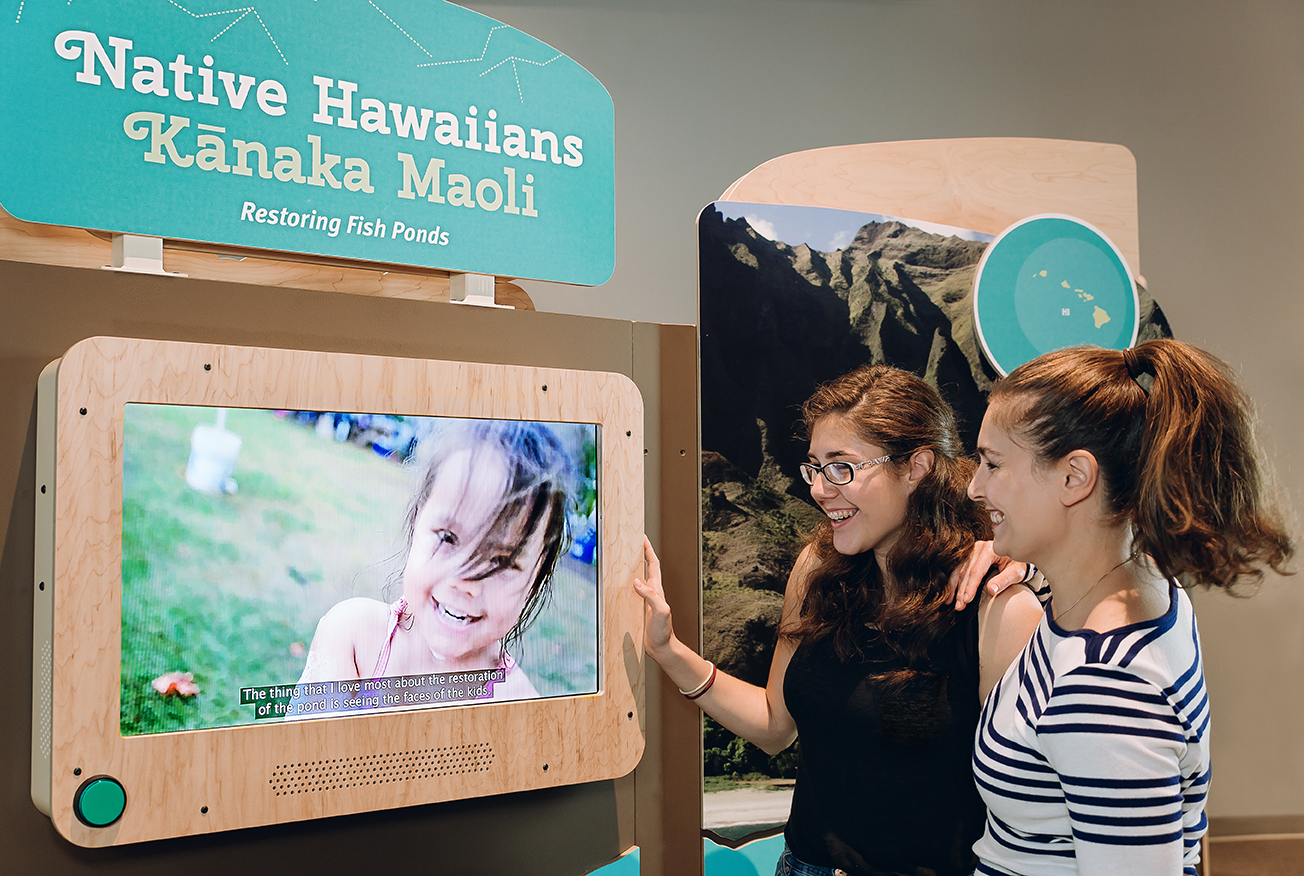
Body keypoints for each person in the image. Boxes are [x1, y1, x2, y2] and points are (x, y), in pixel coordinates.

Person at [636, 365, 1045, 876]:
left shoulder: (995, 608)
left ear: (916, 466)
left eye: (842, 467)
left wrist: (1036, 570)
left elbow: (1037, 811)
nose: (820, 490)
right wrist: (668, 650)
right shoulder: (817, 570)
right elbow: (773, 725)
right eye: (814, 467)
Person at [966, 340, 1294, 876]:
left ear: (1075, 476)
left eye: (992, 463)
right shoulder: (1149, 581)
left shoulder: (1102, 689)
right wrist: (1026, 564)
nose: (976, 487)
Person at [294, 420, 578, 705]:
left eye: (501, 561)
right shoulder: (352, 638)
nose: (465, 580)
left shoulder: (520, 711)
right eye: (448, 538)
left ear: (537, 574)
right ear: (417, 521)